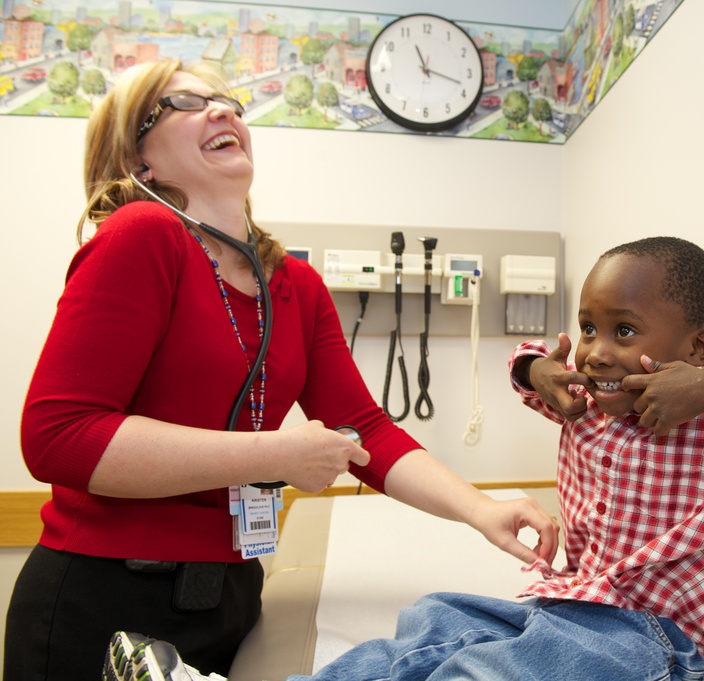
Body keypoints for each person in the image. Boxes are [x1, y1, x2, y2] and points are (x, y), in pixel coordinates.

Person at [106, 236, 704, 681]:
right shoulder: (588, 402)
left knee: (491, 673)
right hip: (568, 606)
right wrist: (537, 366)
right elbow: (529, 372)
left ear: (696, 347)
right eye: (587, 326)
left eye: (624, 331)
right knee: (429, 626)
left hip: (662, 643)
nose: (596, 351)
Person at [4, 59, 558, 681]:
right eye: (183, 103)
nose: (223, 110)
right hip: (104, 596)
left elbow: (364, 431)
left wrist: (479, 509)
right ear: (139, 164)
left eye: (228, 101)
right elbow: (59, 437)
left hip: (232, 595)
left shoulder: (295, 285)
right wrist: (272, 456)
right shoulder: (142, 234)